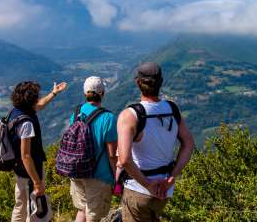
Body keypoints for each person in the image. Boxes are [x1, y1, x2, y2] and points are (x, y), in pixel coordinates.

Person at [117, 62, 195, 222]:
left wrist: (147, 184)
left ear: (138, 82)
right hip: (165, 190)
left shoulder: (130, 115)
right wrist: (172, 176)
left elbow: (124, 159)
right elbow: (188, 144)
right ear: (161, 82)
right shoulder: (172, 110)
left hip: (138, 189)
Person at [10, 80, 67, 222]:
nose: (38, 98)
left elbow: (40, 105)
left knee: (20, 205)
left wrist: (54, 93)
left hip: (18, 169)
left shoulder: (16, 112)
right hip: (31, 171)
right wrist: (36, 182)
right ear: (31, 99)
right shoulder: (27, 123)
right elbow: (26, 155)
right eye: (36, 95)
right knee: (35, 208)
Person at [69, 76, 118, 222]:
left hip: (77, 171)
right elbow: (111, 154)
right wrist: (117, 176)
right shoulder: (108, 118)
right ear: (102, 93)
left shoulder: (77, 112)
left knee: (81, 210)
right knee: (93, 216)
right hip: (99, 175)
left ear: (85, 93)